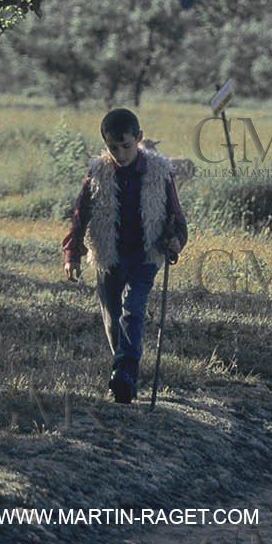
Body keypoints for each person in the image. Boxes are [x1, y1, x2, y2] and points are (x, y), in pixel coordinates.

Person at [64, 108, 188, 404]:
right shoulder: (98, 172)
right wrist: (72, 253)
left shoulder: (160, 171)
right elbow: (81, 214)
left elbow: (177, 216)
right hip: (109, 254)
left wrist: (176, 241)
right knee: (112, 318)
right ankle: (123, 370)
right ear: (105, 144)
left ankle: (124, 373)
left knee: (133, 309)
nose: (120, 153)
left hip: (146, 254)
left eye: (126, 146)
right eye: (113, 147)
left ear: (139, 139)